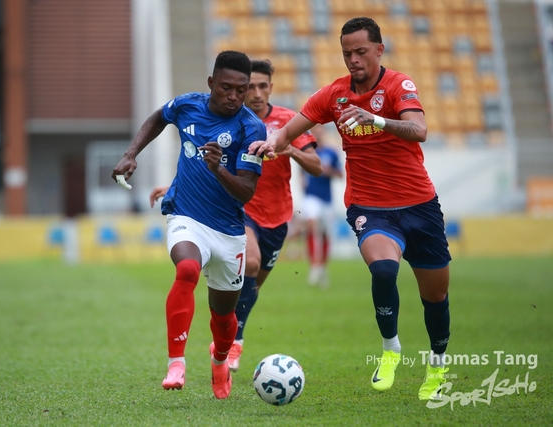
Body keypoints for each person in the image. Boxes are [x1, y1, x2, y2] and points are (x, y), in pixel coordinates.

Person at [248, 17, 452, 401]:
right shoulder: (334, 94)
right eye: (347, 53)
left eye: (360, 52)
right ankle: (390, 349)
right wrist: (272, 142)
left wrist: (375, 119)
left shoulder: (399, 85)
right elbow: (290, 129)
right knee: (383, 269)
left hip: (419, 205)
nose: (353, 59)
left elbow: (419, 129)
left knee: (435, 297)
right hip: (369, 207)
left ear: (379, 50)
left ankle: (438, 364)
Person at [150, 59, 323, 374]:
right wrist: (174, 186)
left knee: (249, 288)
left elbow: (317, 166)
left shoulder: (285, 122)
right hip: (240, 213)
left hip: (276, 216)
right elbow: (197, 159)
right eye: (249, 87)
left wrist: (290, 150)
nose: (254, 93)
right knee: (250, 264)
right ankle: (231, 346)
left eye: (261, 86)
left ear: (270, 88)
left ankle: (229, 338)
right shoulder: (220, 118)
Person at [112, 50, 266, 400]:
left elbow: (246, 191)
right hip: (186, 216)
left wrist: (218, 169)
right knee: (186, 269)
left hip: (228, 231)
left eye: (241, 90)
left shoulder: (252, 128)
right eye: (226, 88)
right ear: (211, 83)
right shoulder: (187, 105)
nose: (234, 96)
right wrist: (131, 153)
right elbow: (158, 118)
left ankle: (220, 359)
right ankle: (176, 364)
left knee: (224, 317)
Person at [301, 125, 343, 288]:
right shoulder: (307, 152)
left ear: (323, 133)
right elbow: (302, 173)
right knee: (312, 226)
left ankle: (322, 267)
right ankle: (314, 265)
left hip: (327, 198)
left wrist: (327, 171)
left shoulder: (331, 153)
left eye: (319, 130)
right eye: (314, 131)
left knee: (325, 233)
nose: (317, 133)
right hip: (310, 197)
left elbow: (340, 174)